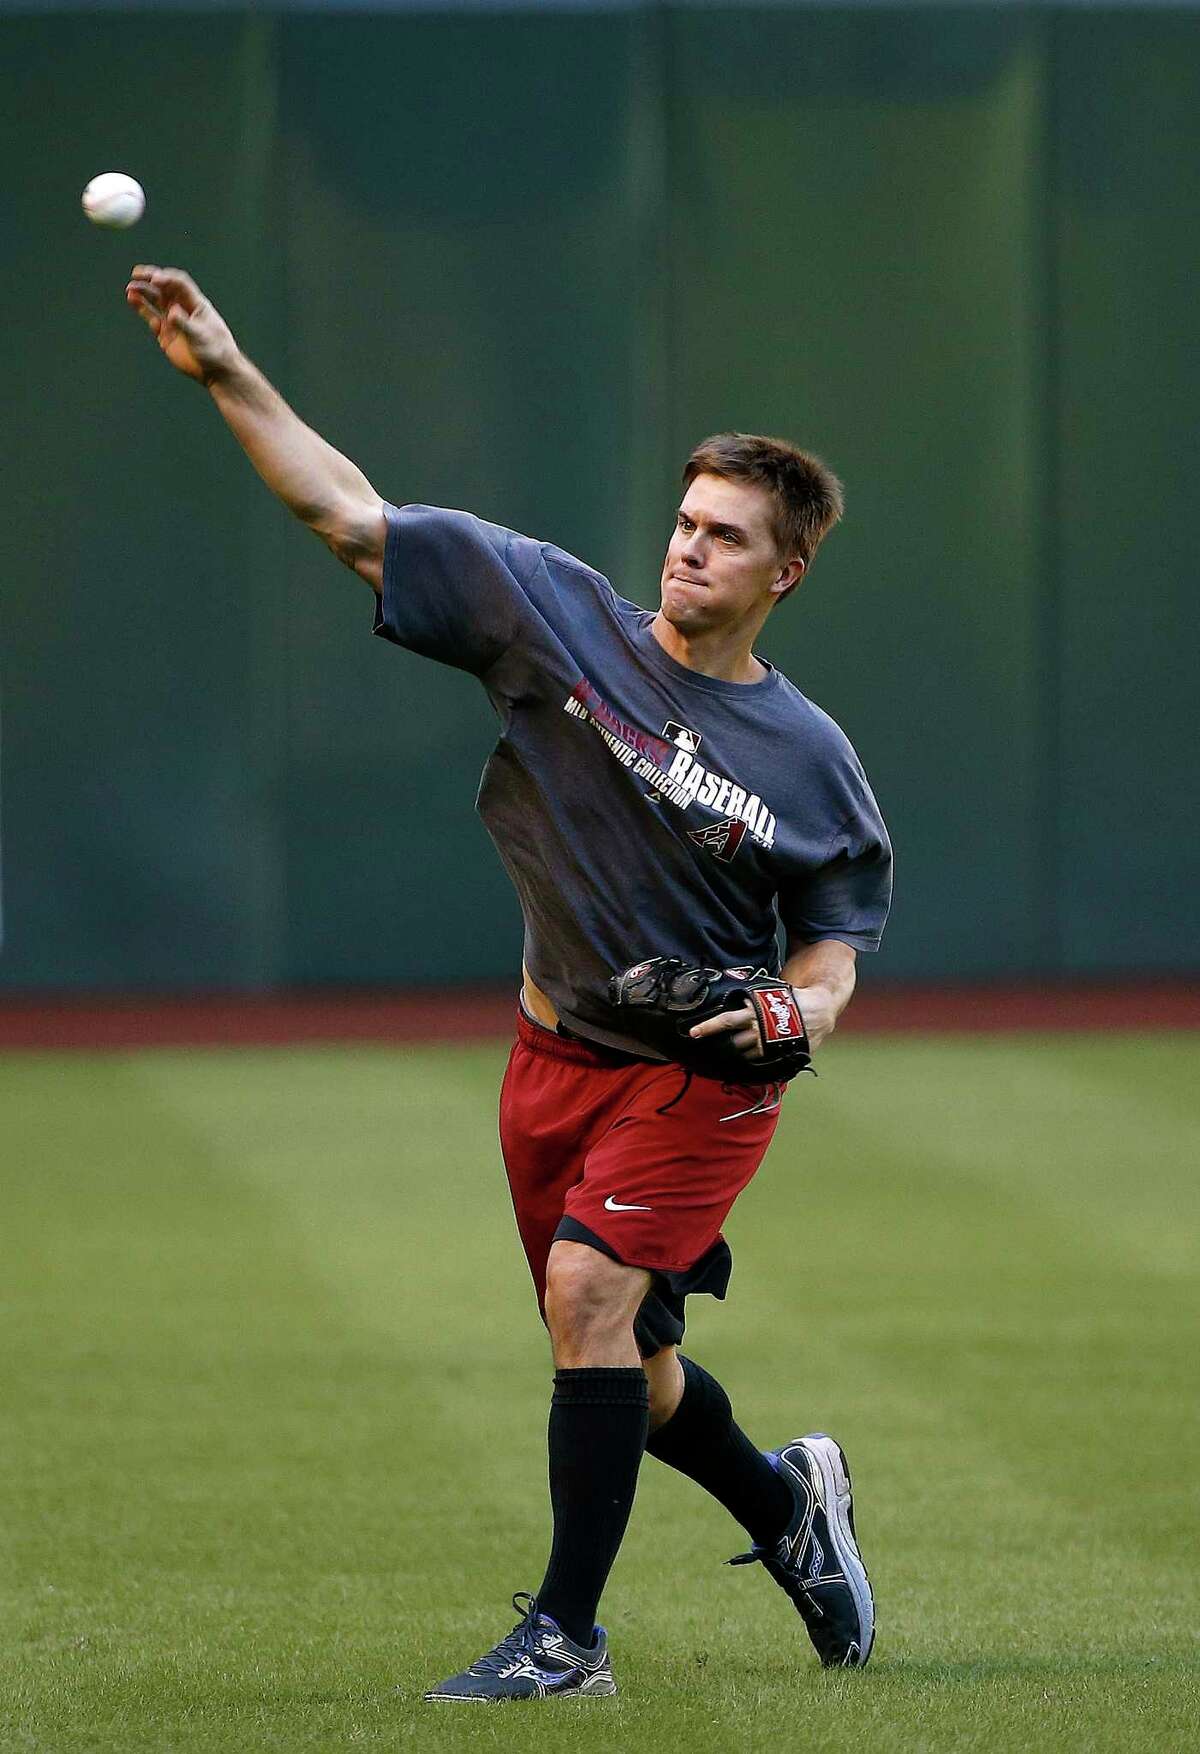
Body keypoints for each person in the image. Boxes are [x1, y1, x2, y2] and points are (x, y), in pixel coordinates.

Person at [127, 265, 893, 1703]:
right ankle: (788, 1502)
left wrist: (805, 1006)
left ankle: (566, 1639)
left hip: (704, 1069)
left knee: (589, 1292)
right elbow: (346, 513)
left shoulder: (808, 757)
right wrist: (224, 365)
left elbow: (835, 941)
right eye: (683, 521)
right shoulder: (555, 616)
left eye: (725, 537)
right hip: (555, 1053)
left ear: (784, 570)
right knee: (636, 1362)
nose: (689, 550)